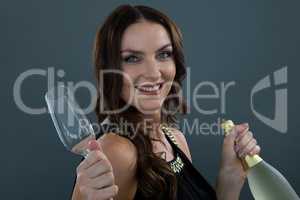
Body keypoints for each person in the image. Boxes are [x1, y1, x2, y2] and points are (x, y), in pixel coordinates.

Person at [71, 4, 261, 200]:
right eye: (133, 58)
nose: (153, 73)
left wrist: (230, 175)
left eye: (163, 54)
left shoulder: (175, 138)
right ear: (110, 70)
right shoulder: (117, 152)